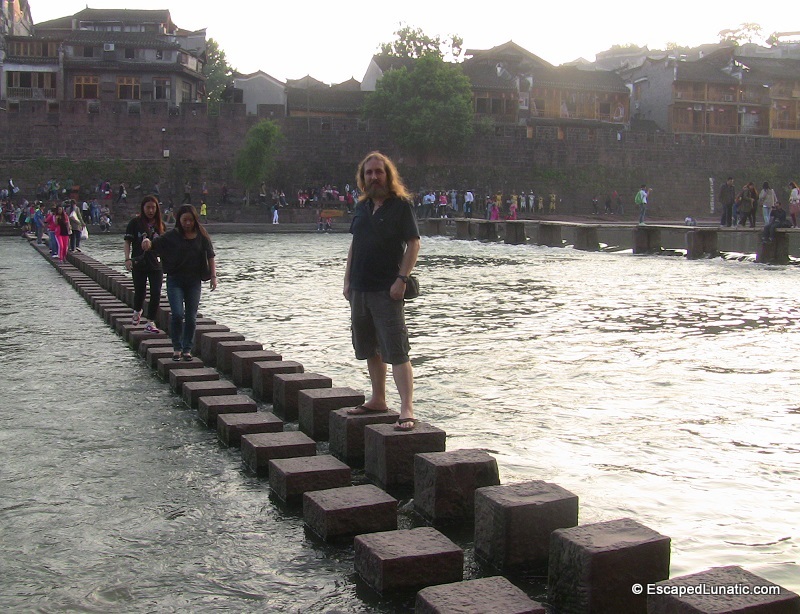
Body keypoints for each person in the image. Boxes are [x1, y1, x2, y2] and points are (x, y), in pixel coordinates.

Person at [343, 151, 420, 431]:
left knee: (396, 349)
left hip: (387, 289)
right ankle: (377, 399)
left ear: (388, 175)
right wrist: (347, 280)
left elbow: (413, 244)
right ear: (363, 178)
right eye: (369, 173)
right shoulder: (362, 206)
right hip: (360, 288)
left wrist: (402, 279)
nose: (374, 176)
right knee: (368, 348)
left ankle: (407, 408)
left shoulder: (401, 206)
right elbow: (355, 245)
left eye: (379, 171)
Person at [142, 204, 216, 361]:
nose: (187, 223)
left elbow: (210, 255)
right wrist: (147, 242)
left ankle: (187, 349)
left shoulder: (201, 235)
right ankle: (177, 348)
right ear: (179, 220)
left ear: (194, 220)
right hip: (175, 280)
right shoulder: (172, 236)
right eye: (184, 220)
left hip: (194, 281)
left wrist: (213, 276)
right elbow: (154, 244)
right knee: (177, 314)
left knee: (191, 317)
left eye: (190, 220)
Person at [124, 196, 165, 334]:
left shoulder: (160, 225)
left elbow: (165, 245)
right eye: (148, 207)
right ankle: (137, 310)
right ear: (143, 208)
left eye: (153, 208)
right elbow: (127, 242)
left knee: (156, 292)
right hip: (139, 262)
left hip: (155, 263)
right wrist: (127, 259)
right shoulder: (135, 223)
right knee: (140, 290)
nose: (151, 210)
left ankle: (150, 321)